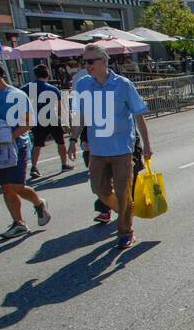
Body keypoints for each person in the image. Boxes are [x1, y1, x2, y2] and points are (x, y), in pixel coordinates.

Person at [73, 43, 152, 250]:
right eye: (85, 62)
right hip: (97, 150)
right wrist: (73, 140)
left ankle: (125, 232)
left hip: (122, 149)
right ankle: (125, 211)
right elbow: (81, 115)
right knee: (98, 189)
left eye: (90, 61)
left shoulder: (123, 84)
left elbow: (139, 114)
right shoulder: (83, 85)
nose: (87, 65)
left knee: (123, 192)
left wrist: (146, 145)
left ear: (104, 61)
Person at [0, 56, 49, 240]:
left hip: (17, 147)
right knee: (5, 187)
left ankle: (39, 203)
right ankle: (19, 223)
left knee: (17, 186)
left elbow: (29, 122)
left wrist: (8, 136)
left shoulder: (17, 95)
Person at [26, 64, 71, 179]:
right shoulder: (52, 89)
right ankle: (64, 164)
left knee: (37, 144)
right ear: (48, 74)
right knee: (60, 142)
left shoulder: (26, 88)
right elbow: (60, 108)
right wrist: (65, 123)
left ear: (35, 75)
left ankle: (34, 166)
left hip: (36, 119)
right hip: (52, 118)